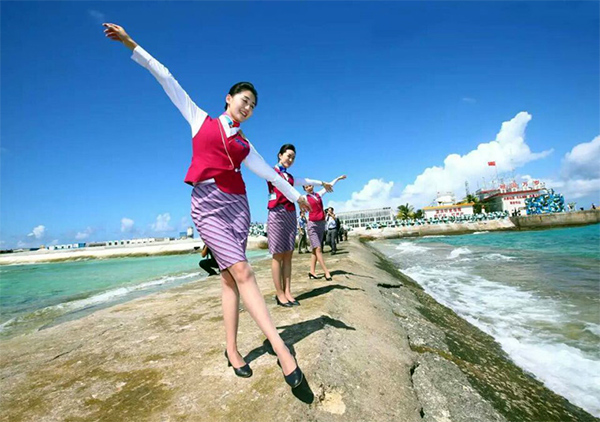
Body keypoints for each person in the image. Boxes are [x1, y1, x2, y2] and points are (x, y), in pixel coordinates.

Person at [103, 23, 306, 388]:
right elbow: (166, 77)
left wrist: (299, 198)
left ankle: (231, 348)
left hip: (238, 208)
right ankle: (281, 349)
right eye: (244, 100)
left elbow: (272, 177)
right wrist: (131, 43)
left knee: (230, 278)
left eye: (253, 106)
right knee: (243, 272)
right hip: (208, 205)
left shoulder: (246, 146)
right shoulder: (200, 120)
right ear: (228, 98)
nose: (248, 108)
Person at [266, 144, 331, 307]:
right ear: (280, 155)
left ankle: (288, 291)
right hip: (276, 213)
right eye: (288, 156)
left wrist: (322, 182)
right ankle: (279, 293)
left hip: (289, 213)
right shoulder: (271, 172)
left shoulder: (290, 176)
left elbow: (306, 181)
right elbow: (285, 187)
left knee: (288, 254)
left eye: (293, 157)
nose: (291, 159)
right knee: (277, 255)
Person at [304, 175, 347, 280]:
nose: (309, 187)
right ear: (305, 189)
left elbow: (329, 185)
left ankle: (312, 272)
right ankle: (326, 272)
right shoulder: (304, 198)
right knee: (318, 249)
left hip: (321, 224)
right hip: (312, 225)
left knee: (315, 250)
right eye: (306, 187)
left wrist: (338, 178)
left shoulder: (318, 194)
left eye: (310, 185)